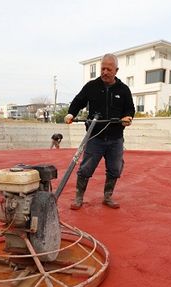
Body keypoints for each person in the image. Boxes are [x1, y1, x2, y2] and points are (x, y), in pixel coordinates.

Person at [64, 53, 135, 210]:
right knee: (86, 168)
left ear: (116, 70)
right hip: (95, 136)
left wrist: (128, 117)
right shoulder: (91, 86)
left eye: (108, 69)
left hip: (115, 138)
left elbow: (130, 108)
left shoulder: (123, 90)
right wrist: (71, 113)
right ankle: (79, 197)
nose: (104, 72)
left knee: (115, 168)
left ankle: (108, 196)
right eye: (102, 69)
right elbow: (78, 101)